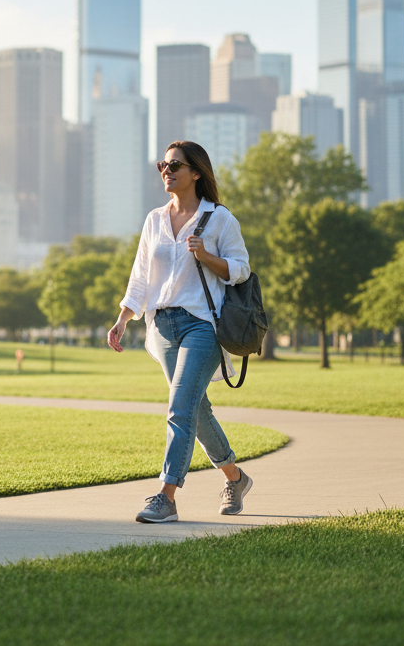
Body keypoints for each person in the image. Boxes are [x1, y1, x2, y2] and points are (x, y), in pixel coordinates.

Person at [107, 140, 253, 523]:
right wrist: (124, 317)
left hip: (202, 324)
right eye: (163, 165)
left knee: (179, 409)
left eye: (174, 166)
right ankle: (235, 478)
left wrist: (207, 257)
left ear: (196, 173)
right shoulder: (155, 219)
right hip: (162, 326)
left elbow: (241, 270)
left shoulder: (219, 219)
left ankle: (166, 496)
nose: (166, 172)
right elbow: (140, 276)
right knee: (194, 409)